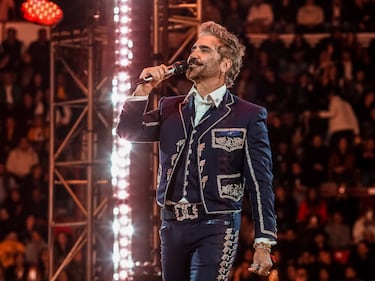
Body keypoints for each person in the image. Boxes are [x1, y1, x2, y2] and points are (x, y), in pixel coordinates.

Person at [116, 21, 277, 281]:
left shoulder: (247, 115)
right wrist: (143, 90)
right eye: (193, 49)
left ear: (225, 64)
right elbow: (127, 131)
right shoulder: (170, 107)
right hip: (172, 225)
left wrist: (263, 242)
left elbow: (260, 183)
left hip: (216, 223)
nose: (193, 55)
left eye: (204, 50)